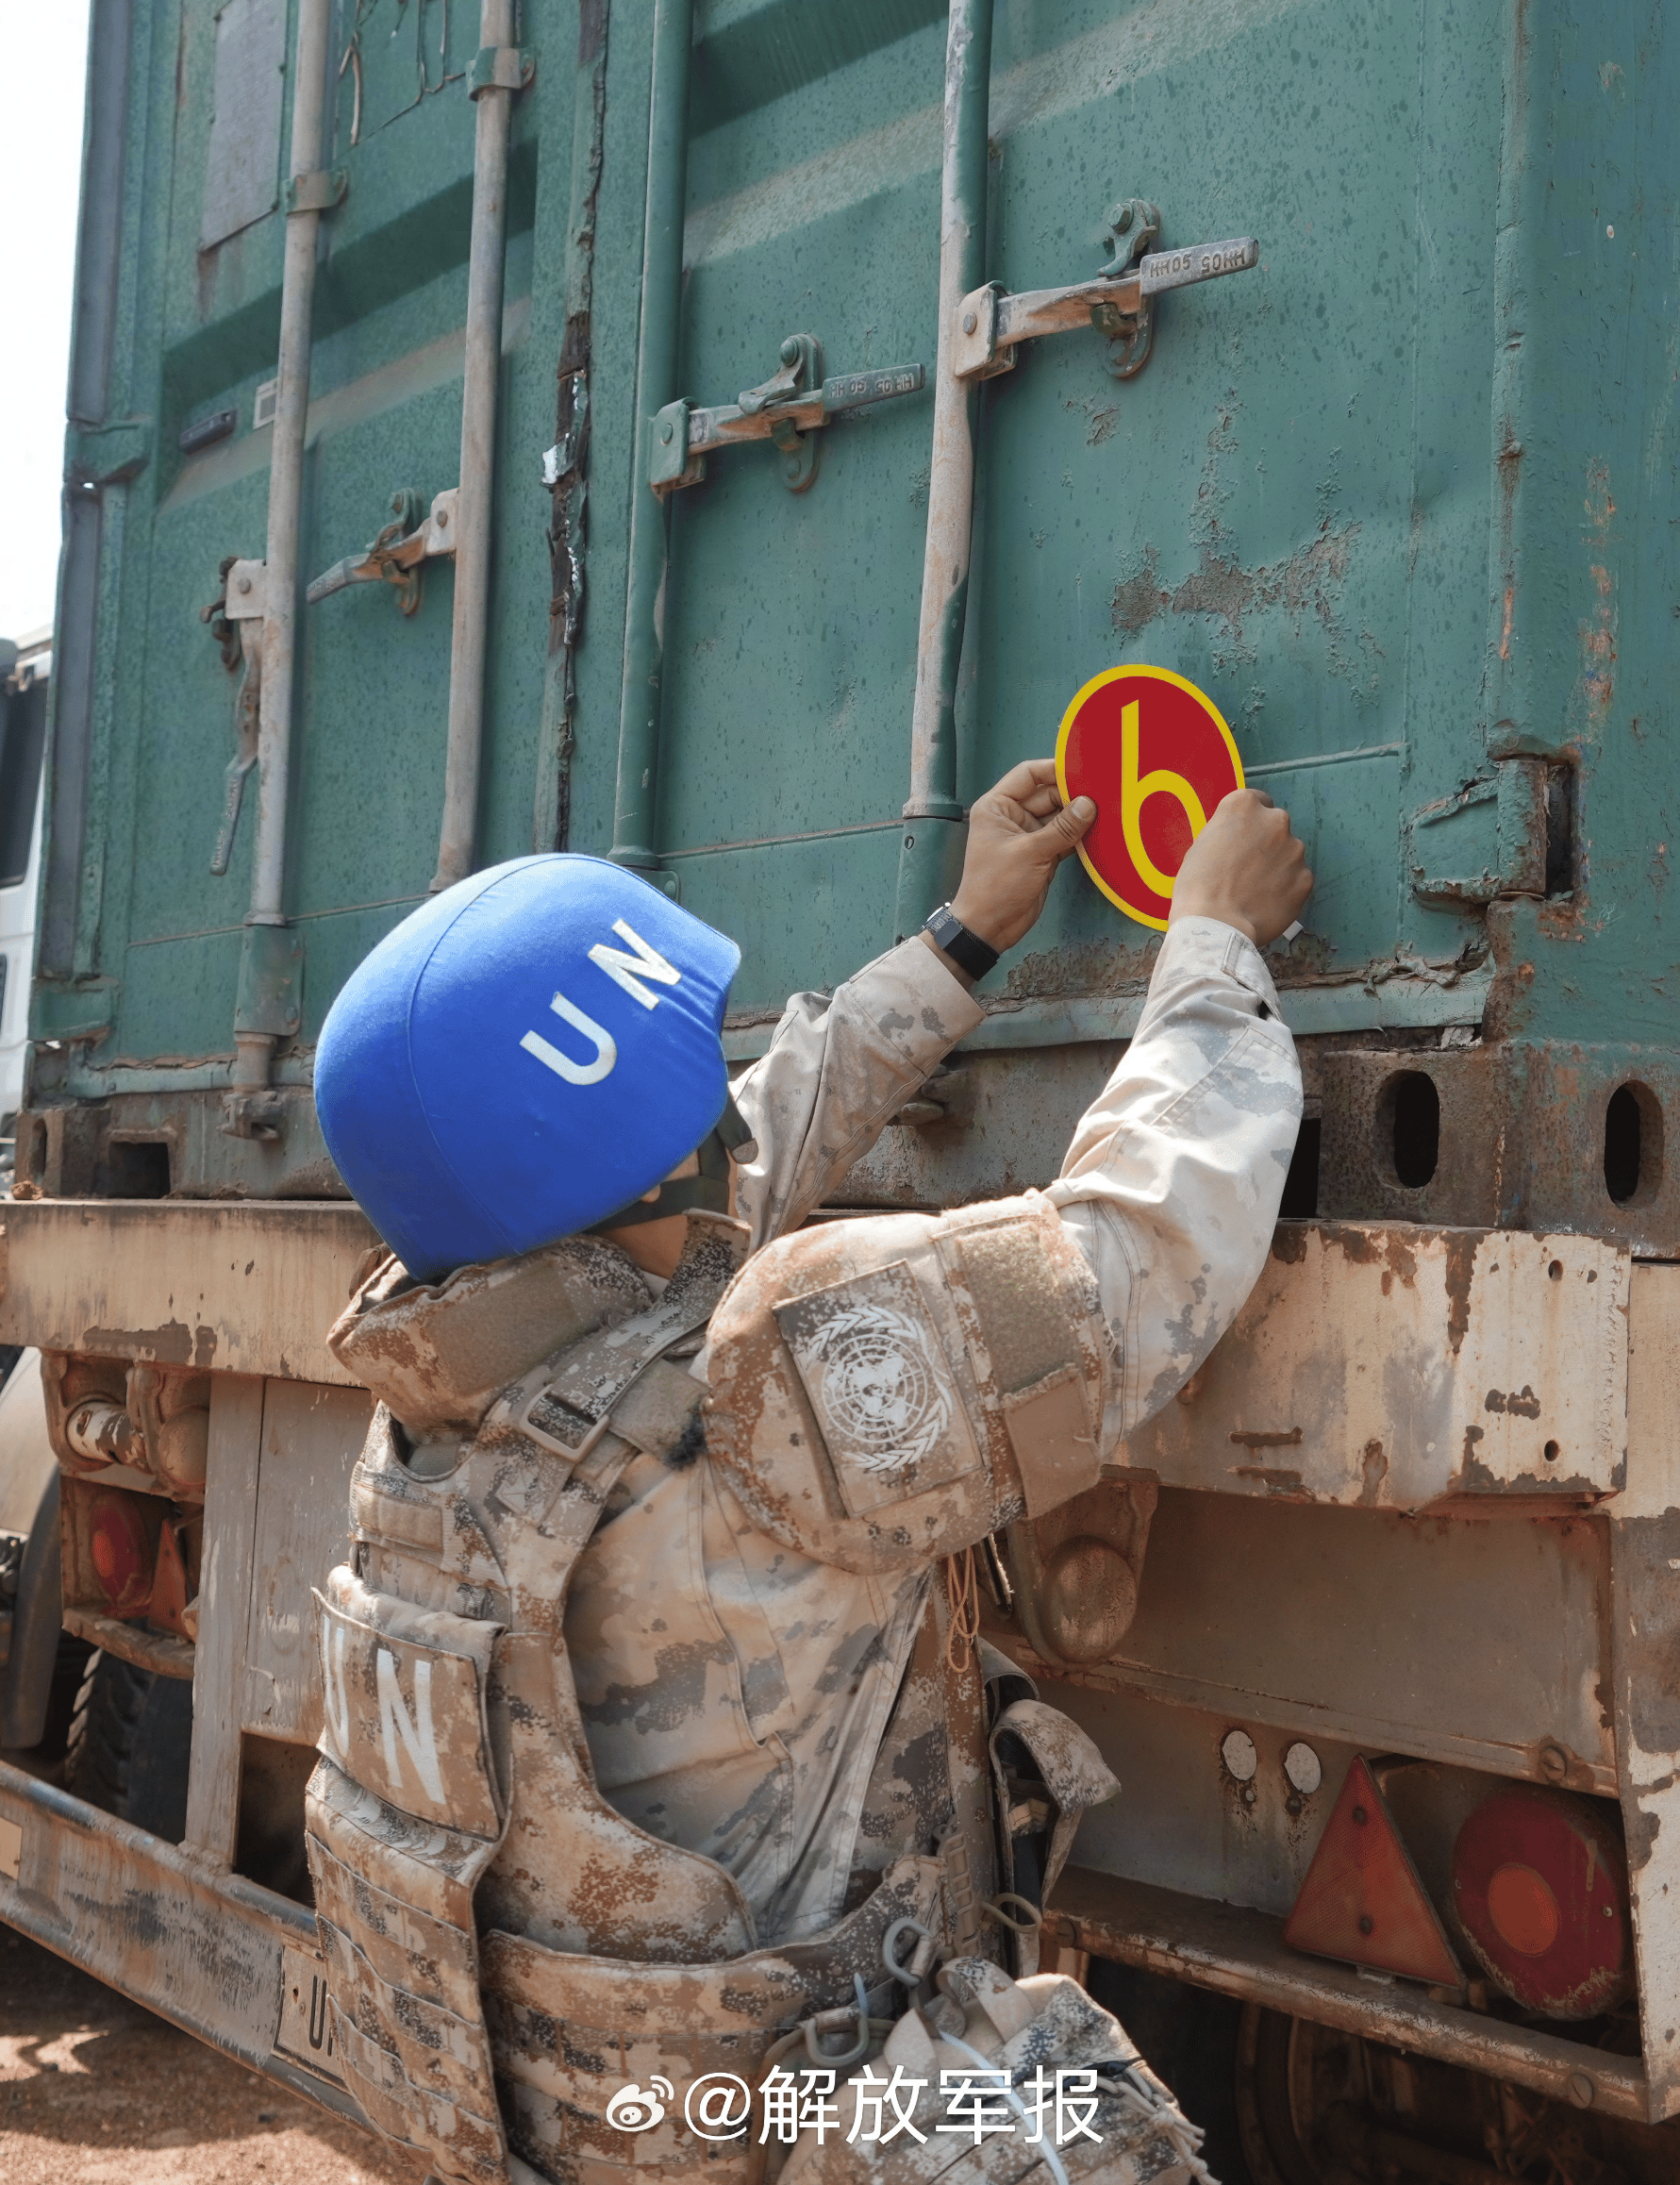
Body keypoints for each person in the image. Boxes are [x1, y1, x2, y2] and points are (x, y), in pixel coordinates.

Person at [302, 759, 1311, 2185]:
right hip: (807, 2120)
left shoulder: (453, 1400)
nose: (723, 1097)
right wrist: (1213, 939)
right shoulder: (766, 1404)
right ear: (654, 1155)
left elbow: (713, 1175)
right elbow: (1142, 1257)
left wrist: (964, 938)